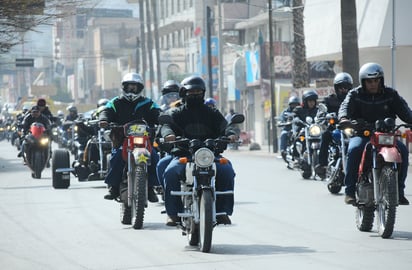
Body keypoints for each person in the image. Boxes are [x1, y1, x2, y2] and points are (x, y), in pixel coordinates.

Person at [158, 75, 238, 226]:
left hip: (209, 155)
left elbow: (225, 126)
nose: (195, 95)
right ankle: (173, 213)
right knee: (170, 172)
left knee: (227, 170)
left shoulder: (212, 113)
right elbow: (165, 125)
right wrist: (168, 134)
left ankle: (222, 212)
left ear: (203, 93)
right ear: (183, 93)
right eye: (191, 92)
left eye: (198, 92)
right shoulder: (175, 113)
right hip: (184, 155)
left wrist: (231, 134)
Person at [338, 62, 412, 205]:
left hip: (386, 135)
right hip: (362, 134)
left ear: (381, 80)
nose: (373, 84)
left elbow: (405, 111)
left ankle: (399, 191)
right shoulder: (355, 94)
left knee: (402, 151)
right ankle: (349, 191)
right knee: (354, 150)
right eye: (369, 81)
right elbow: (344, 107)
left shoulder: (391, 94)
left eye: (376, 80)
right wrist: (344, 119)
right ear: (363, 81)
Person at [99, 72, 160, 202]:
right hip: (122, 140)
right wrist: (104, 119)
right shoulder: (115, 102)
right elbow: (106, 111)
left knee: (154, 156)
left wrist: (163, 119)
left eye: (135, 87)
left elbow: (158, 112)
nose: (132, 89)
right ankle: (114, 187)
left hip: (144, 140)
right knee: (116, 157)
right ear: (124, 87)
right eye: (129, 87)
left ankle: (150, 188)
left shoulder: (148, 103)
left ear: (140, 88)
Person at [315, 72, 353, 178]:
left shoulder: (354, 99)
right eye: (341, 87)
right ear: (336, 88)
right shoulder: (329, 100)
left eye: (346, 87)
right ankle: (322, 164)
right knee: (325, 135)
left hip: (351, 129)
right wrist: (325, 115)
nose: (343, 90)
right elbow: (320, 112)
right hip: (335, 129)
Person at [279, 96, 301, 160]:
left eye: (296, 104)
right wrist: (282, 122)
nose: (294, 106)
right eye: (293, 104)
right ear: (290, 104)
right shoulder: (285, 112)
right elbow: (281, 119)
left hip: (298, 129)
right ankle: (283, 151)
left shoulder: (300, 111)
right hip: (288, 129)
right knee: (284, 134)